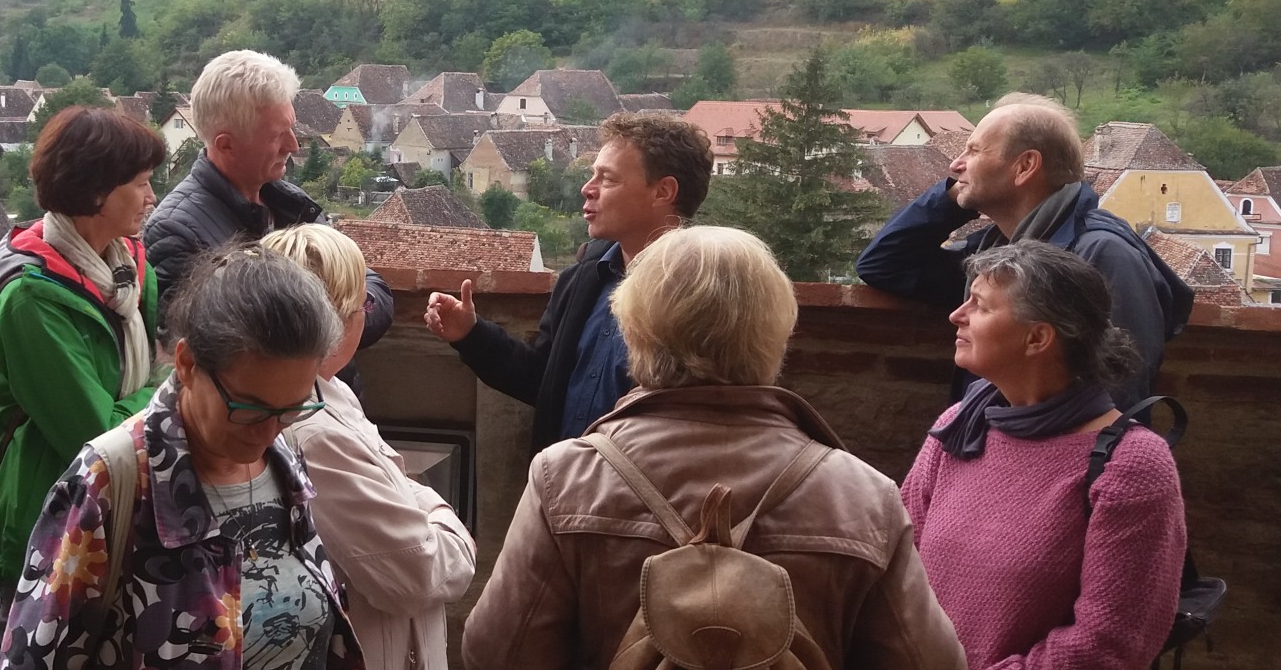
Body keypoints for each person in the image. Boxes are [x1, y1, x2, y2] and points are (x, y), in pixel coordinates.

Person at [464, 226, 965, 670]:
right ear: (778, 334)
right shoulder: (864, 495)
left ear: (633, 333)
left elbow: (497, 654)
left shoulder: (566, 477)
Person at [0, 245, 365, 670]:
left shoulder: (282, 458)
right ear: (187, 363)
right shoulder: (108, 483)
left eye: (293, 408)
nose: (269, 431)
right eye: (249, 408)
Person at [902, 241, 1186, 670]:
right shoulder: (959, 425)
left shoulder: (1131, 465)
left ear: (1037, 338)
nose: (956, 315)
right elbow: (897, 568)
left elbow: (1107, 645)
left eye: (980, 306)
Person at [855, 93, 1192, 407]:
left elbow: (1120, 395)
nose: (955, 166)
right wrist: (954, 198)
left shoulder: (1103, 255)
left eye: (974, 151)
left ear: (1025, 166)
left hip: (1047, 451)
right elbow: (885, 264)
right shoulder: (998, 247)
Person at [423, 111, 712, 453]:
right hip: (564, 480)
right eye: (593, 175)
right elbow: (542, 382)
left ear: (662, 191)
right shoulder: (583, 278)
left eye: (608, 179)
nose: (587, 189)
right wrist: (471, 335)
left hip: (640, 485)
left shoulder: (705, 297)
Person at [265, 224, 476, 670]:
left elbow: (396, 486)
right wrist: (446, 522)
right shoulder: (315, 434)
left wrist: (411, 504)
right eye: (364, 302)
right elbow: (415, 576)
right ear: (339, 319)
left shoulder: (329, 392)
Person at [0, 106, 165, 592]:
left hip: (123, 512)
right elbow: (96, 436)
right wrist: (168, 389)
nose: (152, 197)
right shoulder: (31, 300)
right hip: (53, 529)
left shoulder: (131, 271)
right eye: (142, 183)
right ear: (97, 192)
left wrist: (155, 388)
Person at [143, 50, 392, 391]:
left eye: (292, 129)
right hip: (267, 417)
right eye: (277, 135)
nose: (294, 145)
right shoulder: (176, 232)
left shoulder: (290, 203)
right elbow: (204, 363)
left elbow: (372, 286)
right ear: (226, 145)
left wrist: (344, 310)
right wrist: (343, 312)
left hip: (332, 405)